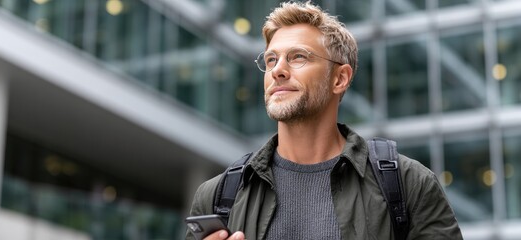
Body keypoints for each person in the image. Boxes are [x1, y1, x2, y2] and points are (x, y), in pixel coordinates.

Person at [186, 1, 463, 240]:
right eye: (271, 60)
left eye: (298, 57)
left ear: (339, 78)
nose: (278, 70)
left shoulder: (409, 184)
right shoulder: (216, 196)